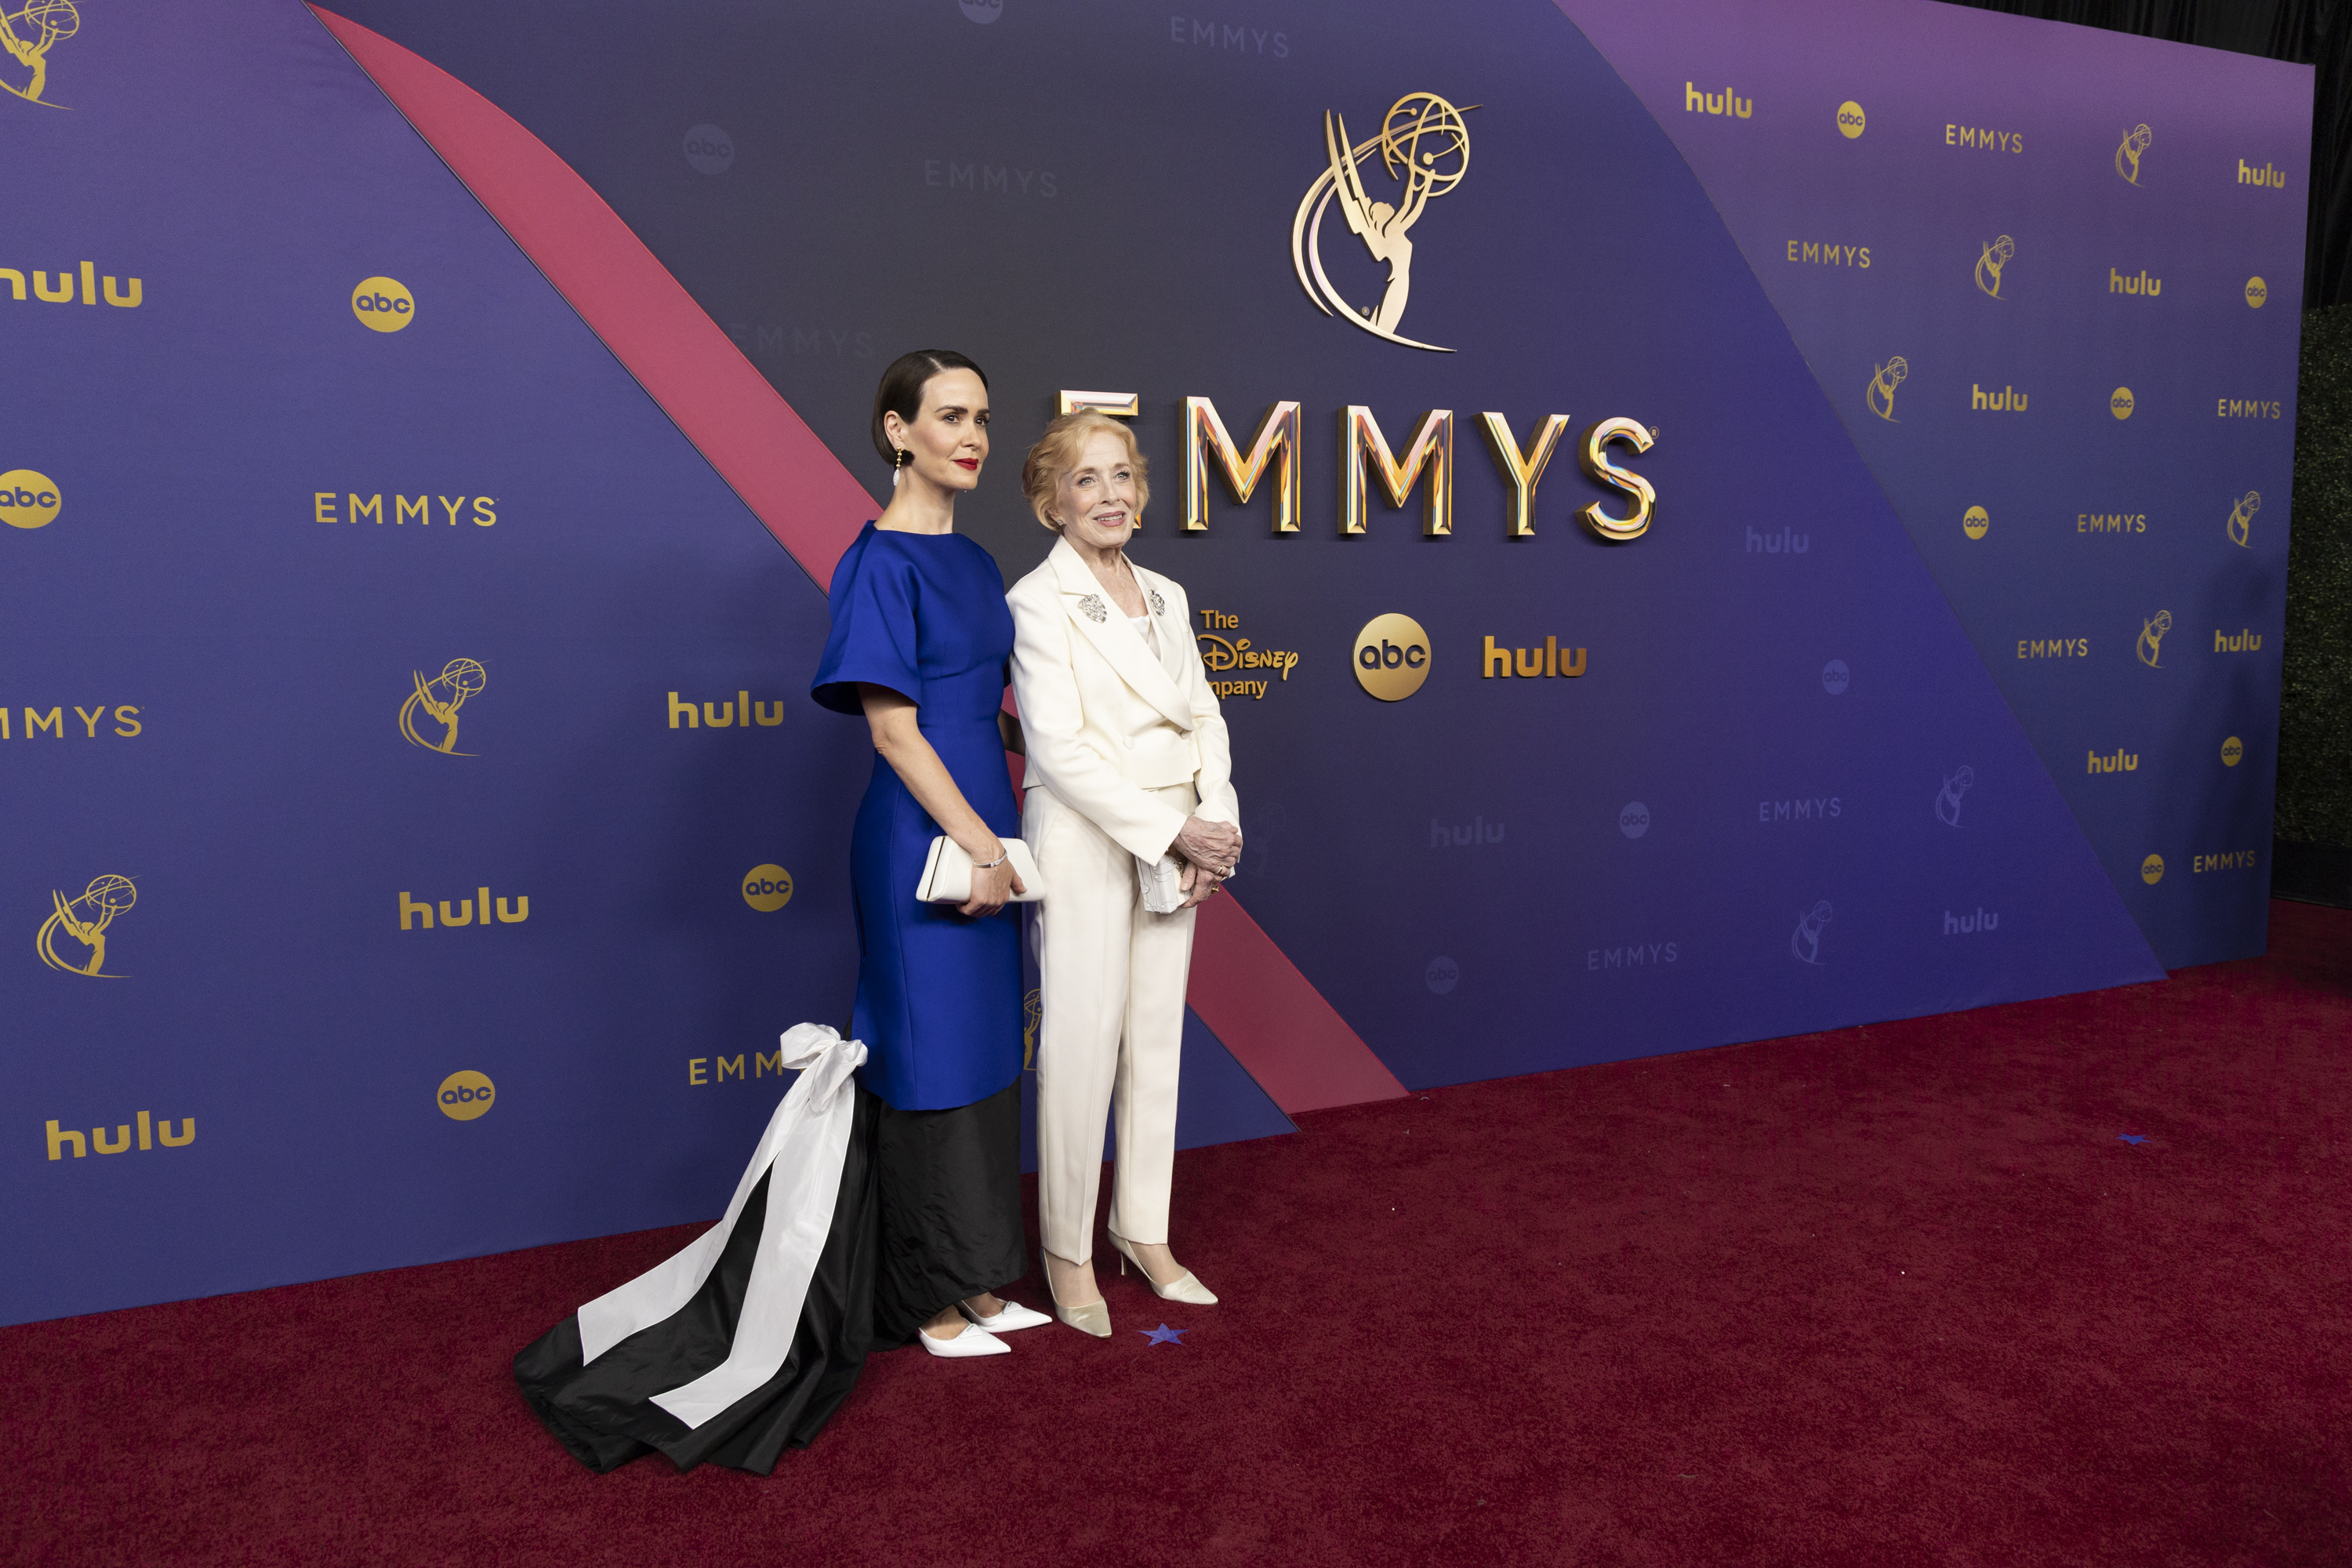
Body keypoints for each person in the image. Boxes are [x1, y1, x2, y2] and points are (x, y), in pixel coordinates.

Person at [510, 350, 1042, 1478]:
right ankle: (926, 1300)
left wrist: (1023, 835)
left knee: (990, 1054)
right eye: (949, 416)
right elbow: (893, 734)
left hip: (993, 828)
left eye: (983, 417)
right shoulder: (875, 561)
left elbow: (999, 706)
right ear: (896, 431)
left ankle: (976, 1272)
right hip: (924, 842)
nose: (972, 435)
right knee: (928, 1061)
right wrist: (985, 849)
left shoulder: (984, 557)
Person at [1006, 411, 1243, 1338]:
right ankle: (1067, 1247)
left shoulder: (1171, 593)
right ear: (1049, 501)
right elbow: (1059, 752)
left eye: (1122, 477)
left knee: (1154, 1043)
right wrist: (1173, 829)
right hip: (1091, 841)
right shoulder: (1036, 601)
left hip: (1179, 836)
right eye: (1087, 480)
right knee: (1078, 1049)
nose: (1110, 495)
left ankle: (1143, 1228)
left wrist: (1214, 826)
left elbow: (1205, 717)